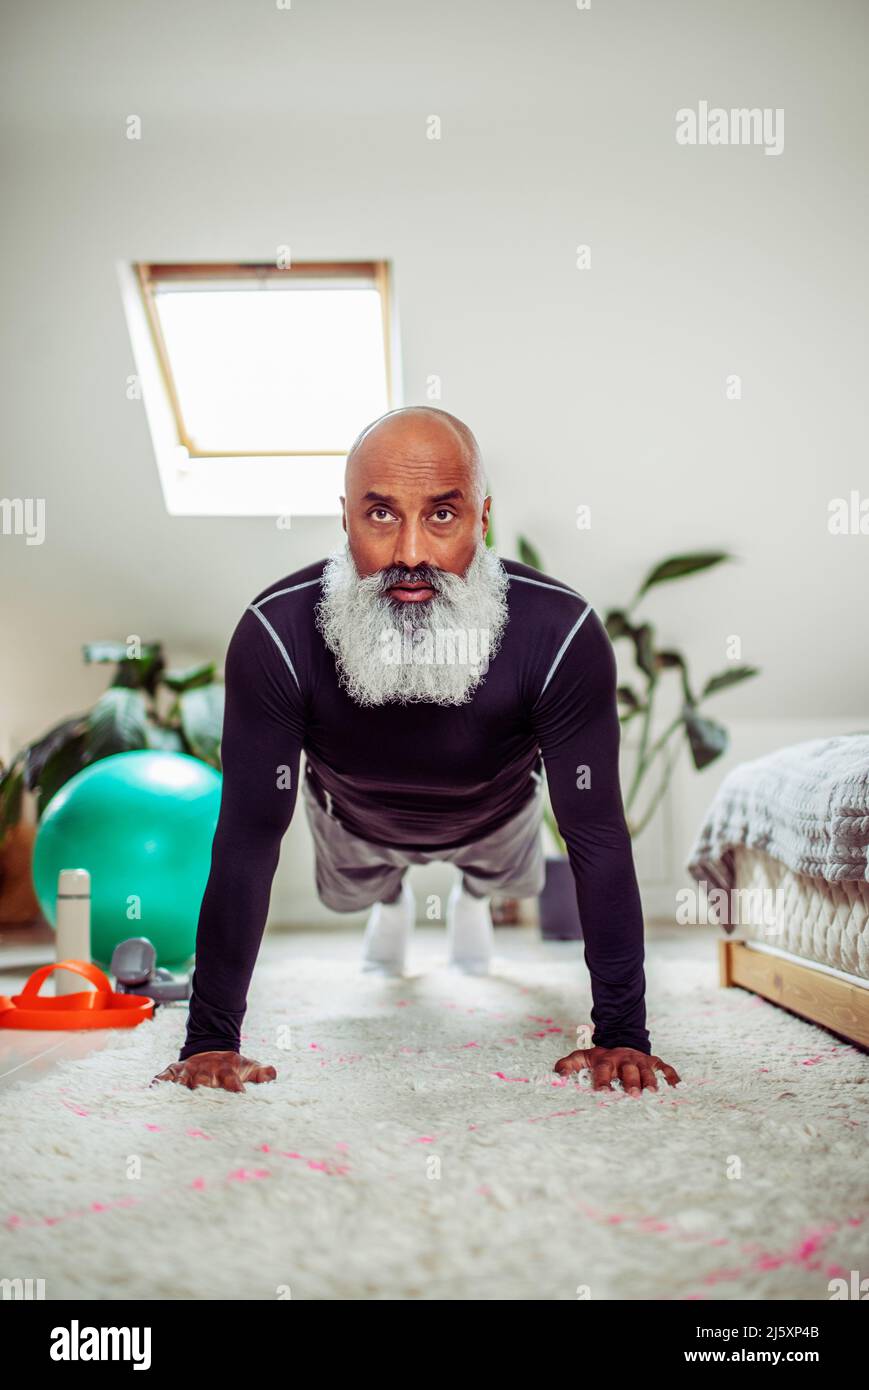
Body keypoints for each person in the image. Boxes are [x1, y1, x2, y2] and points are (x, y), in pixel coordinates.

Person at [152, 406, 680, 1097]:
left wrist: (622, 1034)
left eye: (440, 515)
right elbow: (249, 835)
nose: (409, 553)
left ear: (482, 519)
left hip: (499, 821)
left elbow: (597, 834)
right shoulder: (274, 634)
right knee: (351, 896)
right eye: (379, 515)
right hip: (351, 826)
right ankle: (392, 894)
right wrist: (211, 1041)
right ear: (344, 519)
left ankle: (469, 894)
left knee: (509, 884)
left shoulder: (560, 633)